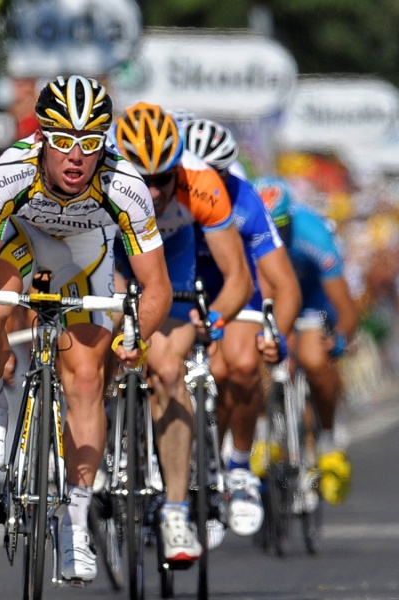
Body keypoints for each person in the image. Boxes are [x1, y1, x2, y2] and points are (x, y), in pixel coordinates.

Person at [0, 76, 173, 582]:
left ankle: (74, 522)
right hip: (22, 245)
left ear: (103, 147)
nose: (76, 157)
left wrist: (138, 333)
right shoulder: (12, 170)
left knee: (89, 376)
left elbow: (156, 286)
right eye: (65, 141)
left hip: (83, 257)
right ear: (43, 138)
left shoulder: (124, 184)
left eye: (90, 144)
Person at [110, 103, 253, 560]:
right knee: (94, 347)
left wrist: (210, 320)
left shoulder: (201, 184)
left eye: (162, 181)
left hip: (171, 258)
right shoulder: (102, 176)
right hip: (112, 255)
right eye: (142, 181)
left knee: (169, 371)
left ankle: (175, 510)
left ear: (179, 170)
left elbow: (238, 280)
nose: (152, 193)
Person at [180, 117, 302, 541]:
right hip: (178, 283)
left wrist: (276, 335)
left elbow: (285, 285)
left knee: (244, 364)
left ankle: (239, 466)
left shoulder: (245, 200)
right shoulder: (160, 191)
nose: (206, 184)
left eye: (218, 174)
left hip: (234, 286)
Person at [253, 176, 359, 506]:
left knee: (314, 360)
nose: (275, 236)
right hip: (270, 297)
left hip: (313, 301)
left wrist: (340, 338)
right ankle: (262, 433)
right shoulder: (247, 231)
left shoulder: (313, 234)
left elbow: (345, 306)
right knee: (255, 351)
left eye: (281, 226)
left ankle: (326, 440)